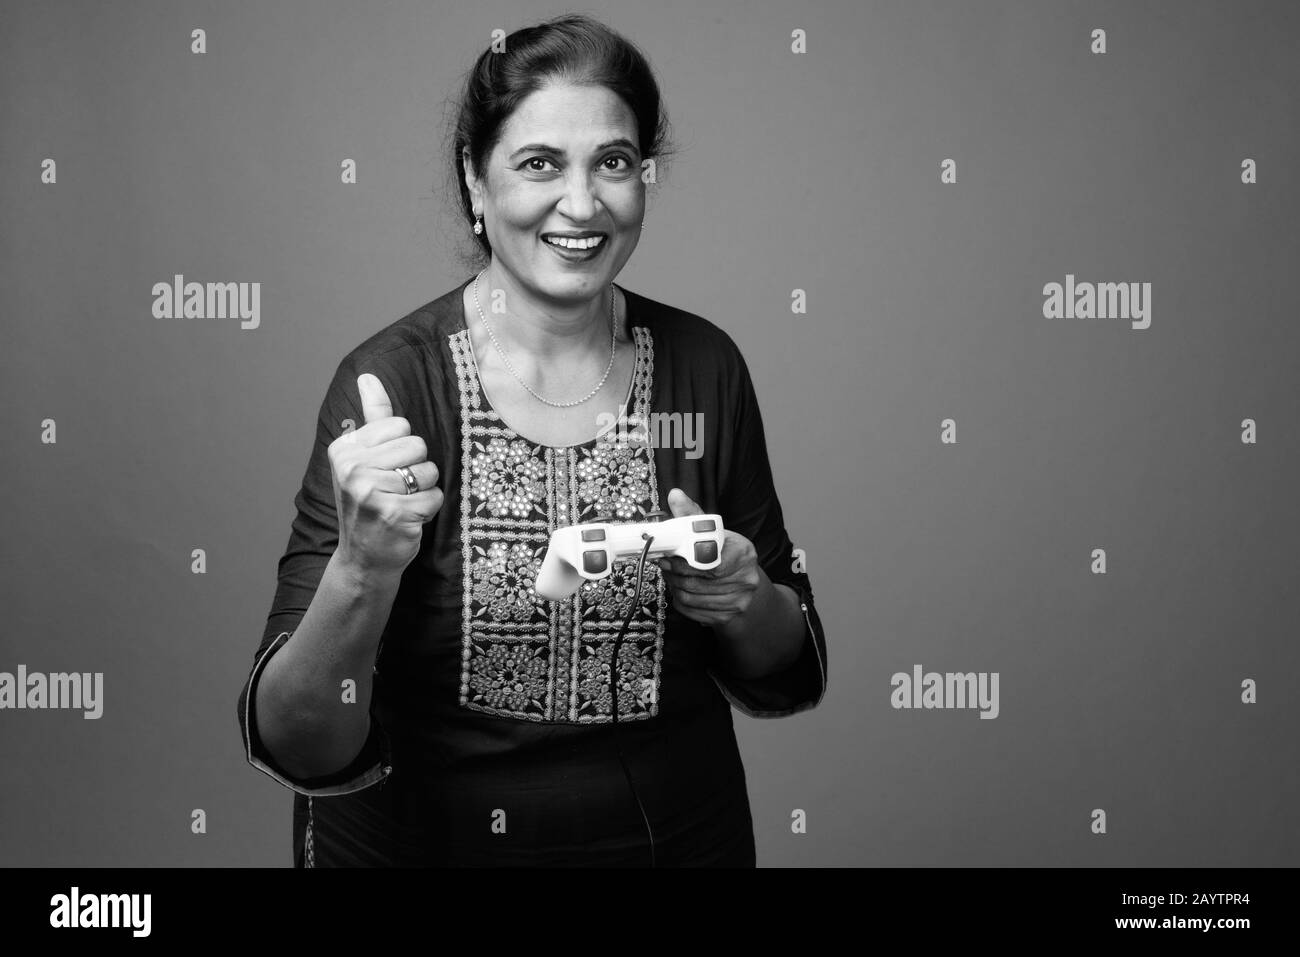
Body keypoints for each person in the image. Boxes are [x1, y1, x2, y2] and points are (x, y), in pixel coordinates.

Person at [236, 13, 827, 867]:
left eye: (614, 163)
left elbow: (787, 666)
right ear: (476, 182)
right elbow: (298, 740)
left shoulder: (706, 365)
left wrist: (745, 601)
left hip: (674, 841)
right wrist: (361, 568)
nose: (582, 204)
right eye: (539, 163)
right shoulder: (391, 389)